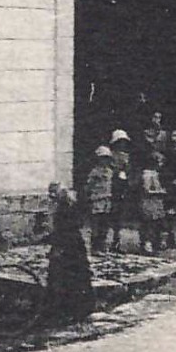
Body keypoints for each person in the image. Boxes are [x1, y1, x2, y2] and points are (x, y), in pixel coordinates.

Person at [42, 183, 95, 322]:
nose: (51, 200)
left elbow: (63, 231)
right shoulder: (67, 207)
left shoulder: (63, 210)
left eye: (52, 196)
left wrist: (57, 246)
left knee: (65, 277)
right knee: (75, 276)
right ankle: (76, 309)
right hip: (73, 246)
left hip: (67, 247)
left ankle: (68, 310)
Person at [82, 147, 116, 254]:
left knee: (104, 224)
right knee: (96, 224)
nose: (104, 161)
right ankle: (95, 247)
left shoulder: (110, 172)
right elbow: (88, 186)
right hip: (97, 200)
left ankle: (103, 245)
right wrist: (89, 196)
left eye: (106, 158)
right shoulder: (94, 172)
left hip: (106, 200)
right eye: (102, 158)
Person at [107, 129, 135, 252]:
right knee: (110, 213)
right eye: (119, 142)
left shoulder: (126, 156)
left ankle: (116, 240)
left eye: (124, 142)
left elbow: (129, 170)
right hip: (112, 185)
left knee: (119, 214)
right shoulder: (110, 155)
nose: (122, 144)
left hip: (122, 186)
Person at [137, 153, 168, 254]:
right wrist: (160, 192)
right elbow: (147, 190)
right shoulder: (147, 174)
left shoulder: (155, 173)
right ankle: (147, 244)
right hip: (149, 201)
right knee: (148, 223)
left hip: (156, 202)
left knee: (157, 223)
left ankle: (155, 243)